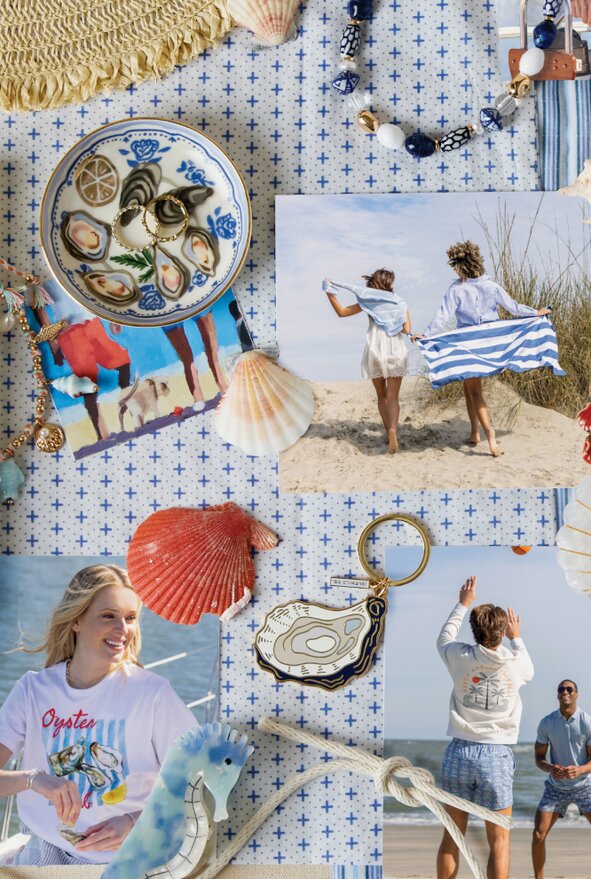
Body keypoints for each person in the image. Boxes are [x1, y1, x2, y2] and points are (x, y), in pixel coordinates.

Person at [0, 565, 197, 866]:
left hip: (130, 860)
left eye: (130, 618)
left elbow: (200, 785)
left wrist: (135, 822)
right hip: (45, 854)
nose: (123, 629)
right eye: (108, 616)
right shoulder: (33, 690)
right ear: (76, 619)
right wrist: (34, 779)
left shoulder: (153, 694)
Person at [412, 241, 551, 457]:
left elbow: (442, 317)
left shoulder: (456, 289)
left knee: (475, 391)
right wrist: (535, 312)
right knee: (469, 389)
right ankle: (474, 433)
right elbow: (513, 307)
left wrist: (426, 334)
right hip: (490, 342)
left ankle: (490, 435)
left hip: (469, 343)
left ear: (459, 266)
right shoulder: (491, 286)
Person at [436, 576, 534, 879]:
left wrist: (462, 603)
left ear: (474, 630)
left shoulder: (459, 656)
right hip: (495, 755)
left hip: (459, 753)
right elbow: (529, 669)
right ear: (503, 631)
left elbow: (444, 637)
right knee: (499, 841)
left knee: (452, 836)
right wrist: (517, 638)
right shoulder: (516, 662)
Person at [323, 270, 412, 453]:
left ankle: (388, 433)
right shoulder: (400, 302)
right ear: (389, 284)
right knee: (393, 397)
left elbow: (342, 312)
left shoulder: (368, 302)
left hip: (375, 349)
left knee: (382, 396)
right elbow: (407, 330)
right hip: (395, 348)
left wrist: (329, 292)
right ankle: (393, 430)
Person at [532, 680, 591, 878]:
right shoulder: (547, 723)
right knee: (538, 835)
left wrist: (579, 770)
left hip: (584, 786)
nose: (565, 692)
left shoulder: (587, 722)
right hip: (555, 787)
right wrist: (550, 768)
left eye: (569, 689)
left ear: (576, 694)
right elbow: (539, 759)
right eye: (561, 689)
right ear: (557, 695)